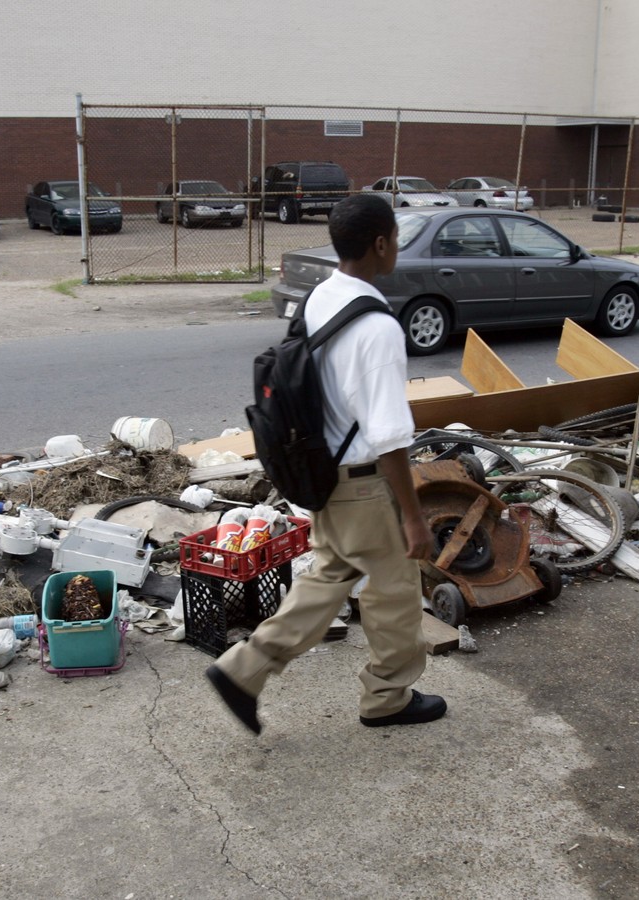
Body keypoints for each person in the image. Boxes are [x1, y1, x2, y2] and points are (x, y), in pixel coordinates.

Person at [206, 193, 445, 735]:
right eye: (396, 239)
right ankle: (387, 697)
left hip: (323, 476)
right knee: (397, 595)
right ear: (381, 243)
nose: (398, 248)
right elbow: (388, 434)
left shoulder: (322, 296)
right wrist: (412, 516)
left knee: (329, 579)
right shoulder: (379, 327)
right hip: (363, 485)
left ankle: (243, 669)